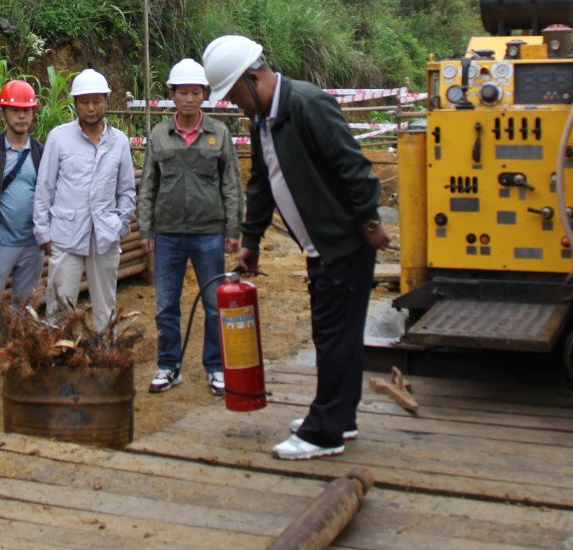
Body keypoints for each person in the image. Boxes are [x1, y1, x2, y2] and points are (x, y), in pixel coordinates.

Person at [202, 35, 392, 461]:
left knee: (334, 336)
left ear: (252, 79)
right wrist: (251, 240)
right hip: (319, 247)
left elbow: (353, 165)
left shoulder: (308, 104)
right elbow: (262, 182)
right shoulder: (262, 121)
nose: (234, 104)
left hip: (343, 243)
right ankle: (341, 416)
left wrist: (371, 221)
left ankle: (324, 432)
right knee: (336, 335)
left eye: (233, 95)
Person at [138, 58, 242, 397]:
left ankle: (216, 367)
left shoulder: (219, 133)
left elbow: (231, 184)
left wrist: (232, 229)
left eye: (196, 92)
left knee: (214, 304)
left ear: (204, 95)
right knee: (166, 305)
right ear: (172, 95)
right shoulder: (159, 135)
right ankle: (169, 366)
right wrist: (146, 230)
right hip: (168, 234)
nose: (189, 99)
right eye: (183, 92)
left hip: (209, 234)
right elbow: (148, 186)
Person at [34, 69, 136, 330]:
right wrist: (43, 231)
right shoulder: (59, 138)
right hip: (66, 233)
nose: (91, 108)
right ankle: (60, 350)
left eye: (97, 101)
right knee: (60, 306)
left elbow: (126, 191)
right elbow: (45, 187)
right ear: (75, 103)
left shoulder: (119, 142)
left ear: (106, 101)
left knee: (106, 307)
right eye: (84, 102)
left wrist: (120, 225)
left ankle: (106, 349)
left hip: (105, 235)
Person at [0, 79, 47, 370]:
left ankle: (20, 361)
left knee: (25, 306)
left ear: (33, 114)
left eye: (26, 110)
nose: (21, 116)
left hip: (32, 243)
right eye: (15, 110)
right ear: (3, 112)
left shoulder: (41, 153)